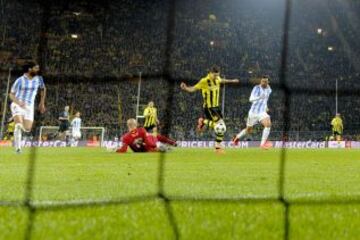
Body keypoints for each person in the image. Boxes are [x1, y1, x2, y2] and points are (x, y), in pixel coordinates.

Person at [180, 65, 239, 153]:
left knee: (222, 128)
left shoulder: (217, 78)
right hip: (209, 108)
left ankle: (205, 124)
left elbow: (222, 80)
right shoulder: (204, 81)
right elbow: (193, 89)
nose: (216, 77)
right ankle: (216, 146)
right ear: (210, 73)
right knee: (221, 127)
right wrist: (185, 88)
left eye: (217, 75)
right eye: (214, 75)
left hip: (216, 107)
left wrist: (232, 81)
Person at [9, 62, 46, 153]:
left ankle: (16, 122)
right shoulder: (20, 80)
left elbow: (43, 89)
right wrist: (18, 102)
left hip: (29, 107)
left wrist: (42, 103)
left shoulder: (39, 79)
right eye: (36, 68)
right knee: (18, 126)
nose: (38, 70)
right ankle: (18, 149)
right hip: (18, 104)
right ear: (30, 69)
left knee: (27, 129)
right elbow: (11, 94)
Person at [233, 76, 272, 149]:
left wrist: (266, 107)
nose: (263, 83)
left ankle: (262, 144)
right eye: (262, 81)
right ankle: (237, 137)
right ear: (260, 81)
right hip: (253, 113)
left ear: (268, 82)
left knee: (268, 124)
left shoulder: (269, 89)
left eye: (265, 81)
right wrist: (259, 97)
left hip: (262, 112)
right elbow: (250, 99)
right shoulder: (256, 88)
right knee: (248, 130)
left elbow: (266, 99)